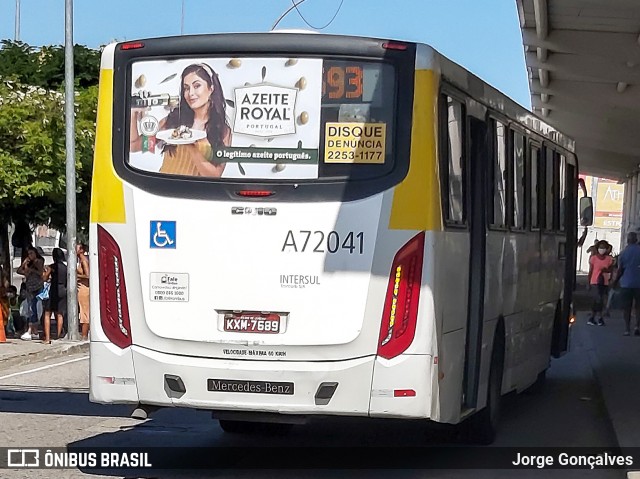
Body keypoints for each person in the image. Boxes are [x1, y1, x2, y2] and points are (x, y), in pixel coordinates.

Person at [130, 63, 231, 177]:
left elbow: (215, 175)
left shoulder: (222, 130)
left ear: (211, 88)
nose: (190, 93)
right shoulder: (173, 121)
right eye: (186, 88)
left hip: (194, 193)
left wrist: (191, 147)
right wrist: (133, 112)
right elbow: (134, 146)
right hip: (163, 188)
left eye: (197, 86)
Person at [615, 231, 640, 336]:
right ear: (636, 240)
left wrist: (615, 281)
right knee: (638, 307)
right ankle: (637, 326)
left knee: (627, 307)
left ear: (628, 240)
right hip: (638, 284)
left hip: (626, 284)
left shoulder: (624, 253)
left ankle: (627, 328)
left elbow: (620, 269)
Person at [17, 246, 44, 340]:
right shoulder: (29, 263)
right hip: (29, 287)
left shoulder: (39, 261)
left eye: (31, 253)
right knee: (31, 308)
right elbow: (19, 271)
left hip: (36, 287)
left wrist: (29, 270)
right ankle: (35, 331)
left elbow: (40, 272)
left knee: (34, 308)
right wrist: (25, 263)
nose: (30, 256)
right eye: (29, 254)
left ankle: (30, 330)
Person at [42, 248, 68, 343]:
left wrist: (47, 272)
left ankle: (48, 338)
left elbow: (44, 278)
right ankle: (58, 336)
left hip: (54, 290)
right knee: (59, 313)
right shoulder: (66, 268)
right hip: (63, 290)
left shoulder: (52, 267)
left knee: (47, 313)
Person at [587, 240, 613, 326]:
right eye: (600, 247)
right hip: (595, 281)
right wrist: (588, 282)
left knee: (600, 300)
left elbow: (611, 270)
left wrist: (607, 272)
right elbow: (590, 271)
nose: (602, 249)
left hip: (604, 282)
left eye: (604, 247)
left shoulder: (609, 259)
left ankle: (593, 317)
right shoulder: (593, 258)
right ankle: (599, 317)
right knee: (599, 299)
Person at [77, 243, 90, 341]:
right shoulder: (78, 260)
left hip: (84, 289)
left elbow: (88, 275)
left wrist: (75, 275)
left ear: (81, 250)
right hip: (79, 288)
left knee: (84, 312)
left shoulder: (83, 261)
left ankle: (84, 335)